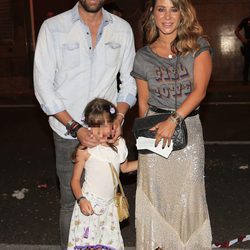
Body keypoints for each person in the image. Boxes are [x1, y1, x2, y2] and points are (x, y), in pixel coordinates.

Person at [33, 1, 137, 249]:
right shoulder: (53, 28)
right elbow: (43, 85)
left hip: (106, 131)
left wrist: (119, 118)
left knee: (105, 199)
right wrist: (74, 127)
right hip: (67, 132)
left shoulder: (122, 29)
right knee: (72, 201)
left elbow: (130, 81)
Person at [131, 0, 213, 249]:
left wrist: (173, 120)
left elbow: (199, 91)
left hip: (188, 129)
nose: (167, 16)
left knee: (189, 198)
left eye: (174, 9)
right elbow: (143, 103)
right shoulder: (143, 56)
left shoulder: (199, 46)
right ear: (152, 14)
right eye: (161, 9)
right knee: (156, 197)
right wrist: (143, 144)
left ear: (182, 14)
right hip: (156, 131)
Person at [67, 98, 137, 250]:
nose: (100, 133)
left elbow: (124, 168)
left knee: (108, 245)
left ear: (114, 123)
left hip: (110, 207)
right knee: (87, 245)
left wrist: (148, 162)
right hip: (90, 205)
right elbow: (75, 180)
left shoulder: (120, 145)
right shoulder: (85, 150)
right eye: (95, 128)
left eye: (105, 126)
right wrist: (81, 199)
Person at [235, 8, 250, 84]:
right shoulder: (246, 20)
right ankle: (245, 81)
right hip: (248, 43)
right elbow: (236, 31)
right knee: (247, 62)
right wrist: (243, 40)